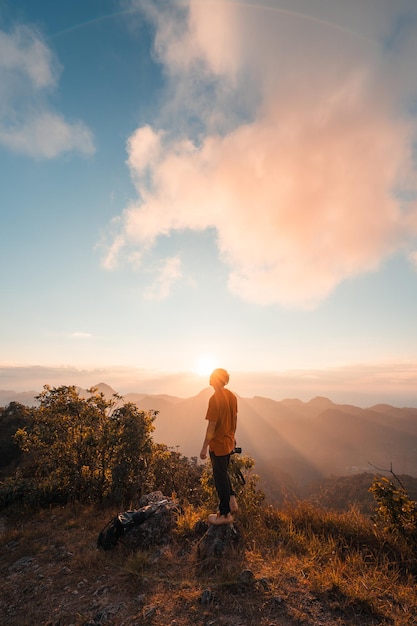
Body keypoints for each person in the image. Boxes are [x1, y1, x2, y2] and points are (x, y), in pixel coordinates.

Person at [200, 368, 238, 525]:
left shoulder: (214, 399)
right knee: (224, 473)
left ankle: (224, 514)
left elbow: (212, 426)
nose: (209, 377)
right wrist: (233, 436)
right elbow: (234, 419)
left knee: (220, 478)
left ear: (216, 380)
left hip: (218, 445)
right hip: (228, 443)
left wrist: (204, 447)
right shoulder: (231, 396)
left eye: (212, 376)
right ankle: (232, 500)